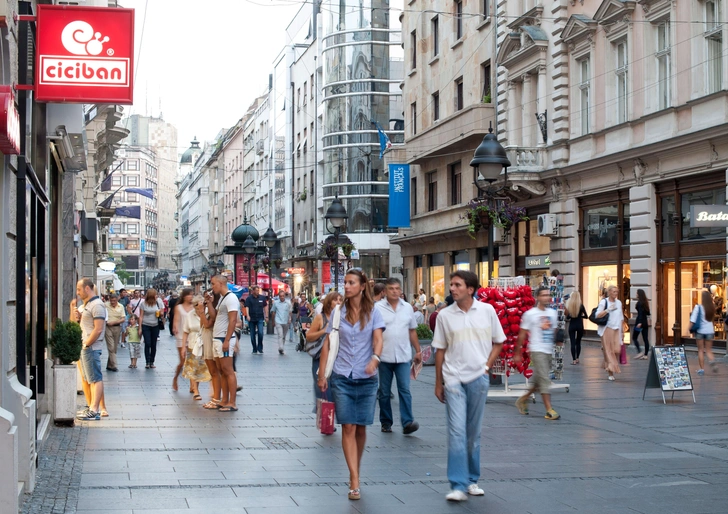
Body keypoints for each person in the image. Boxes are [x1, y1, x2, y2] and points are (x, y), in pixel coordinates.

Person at [432, 270, 505, 502]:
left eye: (457, 285)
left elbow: (499, 341)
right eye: (451, 285)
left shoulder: (487, 311)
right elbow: (440, 350)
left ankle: (472, 480)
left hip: (478, 378)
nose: (452, 288)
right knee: (456, 431)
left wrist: (486, 367)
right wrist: (438, 382)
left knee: (473, 433)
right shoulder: (444, 315)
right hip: (453, 377)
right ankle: (457, 484)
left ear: (470, 289)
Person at [317, 269, 385, 501]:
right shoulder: (337, 312)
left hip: (367, 379)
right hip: (342, 376)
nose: (346, 286)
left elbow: (378, 338)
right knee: (348, 426)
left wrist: (375, 359)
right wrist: (322, 373)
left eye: (351, 282)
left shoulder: (374, 312)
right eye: (345, 282)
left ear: (363, 285)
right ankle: (354, 478)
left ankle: (355, 466)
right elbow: (328, 343)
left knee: (362, 427)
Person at [375, 278, 422, 434]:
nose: (395, 291)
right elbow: (373, 332)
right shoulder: (377, 308)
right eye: (391, 289)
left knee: (404, 390)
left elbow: (412, 330)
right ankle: (386, 422)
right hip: (384, 356)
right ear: (385, 291)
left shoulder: (407, 307)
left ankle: (408, 422)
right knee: (384, 392)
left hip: (403, 356)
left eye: (397, 288)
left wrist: (418, 350)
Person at [514, 286, 560, 421]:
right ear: (538, 297)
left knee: (538, 380)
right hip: (537, 349)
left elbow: (555, 330)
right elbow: (522, 334)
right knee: (545, 379)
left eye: (548, 295)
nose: (547, 297)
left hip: (548, 350)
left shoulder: (553, 313)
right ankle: (549, 409)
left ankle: (523, 399)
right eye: (544, 295)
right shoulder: (530, 314)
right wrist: (517, 352)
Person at [72, 278, 107, 421]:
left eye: (79, 289)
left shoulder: (97, 305)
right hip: (87, 346)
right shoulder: (89, 304)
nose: (78, 293)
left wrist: (87, 344)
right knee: (90, 379)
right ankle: (92, 407)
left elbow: (98, 329)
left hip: (91, 347)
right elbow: (89, 325)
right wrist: (80, 318)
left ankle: (94, 409)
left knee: (95, 378)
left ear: (87, 288)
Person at [305, 291, 342, 412]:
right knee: (323, 389)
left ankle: (327, 414)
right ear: (328, 302)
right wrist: (324, 331)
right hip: (320, 357)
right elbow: (309, 336)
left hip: (337, 358)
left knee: (335, 389)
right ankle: (325, 417)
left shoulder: (343, 317)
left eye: (340, 300)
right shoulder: (321, 317)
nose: (338, 302)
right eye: (335, 300)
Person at [209, 275, 239, 411]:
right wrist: (209, 303)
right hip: (217, 337)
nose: (212, 286)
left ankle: (232, 402)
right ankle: (224, 399)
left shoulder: (231, 298)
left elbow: (233, 320)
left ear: (221, 283)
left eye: (213, 284)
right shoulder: (222, 298)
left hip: (224, 339)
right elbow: (216, 317)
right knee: (221, 370)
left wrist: (227, 340)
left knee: (228, 370)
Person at [182, 295, 212, 399]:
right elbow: (185, 331)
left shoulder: (208, 313)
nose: (199, 307)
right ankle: (196, 391)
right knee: (193, 367)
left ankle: (194, 387)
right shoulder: (190, 315)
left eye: (202, 304)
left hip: (205, 344)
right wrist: (183, 347)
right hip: (192, 344)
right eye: (197, 305)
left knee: (200, 368)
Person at [596, 285, 623, 381]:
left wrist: (622, 332)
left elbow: (621, 317)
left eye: (617, 291)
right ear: (609, 292)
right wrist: (608, 310)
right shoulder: (604, 302)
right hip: (607, 328)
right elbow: (597, 315)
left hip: (617, 329)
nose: (616, 293)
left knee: (617, 350)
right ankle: (611, 372)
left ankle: (607, 363)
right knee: (609, 351)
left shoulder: (619, 303)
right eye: (614, 291)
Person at [202, 290, 222, 409]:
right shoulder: (208, 307)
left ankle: (216, 399)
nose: (208, 297)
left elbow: (207, 324)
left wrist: (201, 312)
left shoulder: (214, 309)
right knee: (212, 372)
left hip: (211, 338)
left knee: (215, 372)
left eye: (210, 295)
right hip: (206, 337)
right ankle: (216, 398)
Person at [172, 288, 194, 392]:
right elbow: (176, 320)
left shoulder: (194, 307)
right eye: (189, 295)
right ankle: (175, 378)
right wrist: (175, 327)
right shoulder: (178, 307)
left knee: (192, 362)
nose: (191, 297)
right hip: (181, 336)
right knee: (183, 362)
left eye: (192, 295)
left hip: (192, 336)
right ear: (184, 296)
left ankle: (192, 385)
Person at [691, 290, 717, 374]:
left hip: (700, 331)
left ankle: (701, 369)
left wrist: (688, 328)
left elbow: (692, 320)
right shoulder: (712, 308)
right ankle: (712, 360)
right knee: (709, 350)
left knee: (701, 350)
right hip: (710, 330)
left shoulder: (698, 307)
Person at [139, 288, 164, 369]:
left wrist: (161, 313)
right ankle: (147, 361)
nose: (156, 296)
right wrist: (140, 328)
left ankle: (152, 361)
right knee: (148, 343)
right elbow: (141, 316)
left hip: (155, 325)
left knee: (153, 344)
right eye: (155, 294)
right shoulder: (143, 304)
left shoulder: (158, 302)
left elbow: (162, 313)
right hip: (145, 325)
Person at [565, 291, 588, 364]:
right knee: (578, 342)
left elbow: (568, 317)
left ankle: (574, 360)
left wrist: (572, 315)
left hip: (572, 325)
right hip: (579, 325)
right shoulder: (581, 305)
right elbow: (586, 316)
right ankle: (577, 358)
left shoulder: (569, 306)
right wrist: (580, 316)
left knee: (572, 342)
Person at [104, 293, 125, 372]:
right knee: (111, 346)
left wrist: (115, 322)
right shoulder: (105, 305)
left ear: (117, 300)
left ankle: (109, 364)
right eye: (111, 301)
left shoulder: (121, 306)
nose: (112, 302)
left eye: (114, 301)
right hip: (108, 327)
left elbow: (123, 318)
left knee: (115, 347)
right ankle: (114, 365)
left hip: (117, 327)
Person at [244, 285, 268, 354]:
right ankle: (254, 348)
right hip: (251, 318)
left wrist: (266, 316)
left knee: (260, 333)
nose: (257, 292)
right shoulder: (249, 298)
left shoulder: (262, 298)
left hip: (260, 317)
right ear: (253, 291)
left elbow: (265, 307)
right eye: (256, 290)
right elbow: (247, 307)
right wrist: (247, 315)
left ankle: (260, 347)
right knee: (252, 334)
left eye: (258, 290)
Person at [270, 290, 292, 355]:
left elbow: (290, 312)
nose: (282, 297)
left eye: (283, 296)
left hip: (286, 321)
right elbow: (273, 312)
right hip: (278, 321)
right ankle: (281, 347)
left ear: (284, 296)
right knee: (280, 335)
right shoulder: (276, 303)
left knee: (284, 336)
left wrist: (290, 319)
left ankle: (281, 348)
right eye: (280, 296)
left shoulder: (288, 303)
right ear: (279, 297)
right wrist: (273, 321)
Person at [633, 289, 651, 360]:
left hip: (639, 323)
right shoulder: (645, 303)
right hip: (645, 323)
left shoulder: (639, 303)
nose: (636, 294)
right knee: (645, 338)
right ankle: (645, 355)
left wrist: (639, 322)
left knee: (634, 337)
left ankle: (639, 351)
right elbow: (648, 313)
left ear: (639, 294)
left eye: (637, 293)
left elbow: (640, 313)